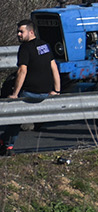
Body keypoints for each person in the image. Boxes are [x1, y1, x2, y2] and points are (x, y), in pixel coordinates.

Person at [2, 20, 61, 154]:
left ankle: (8, 145)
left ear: (31, 32)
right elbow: (54, 68)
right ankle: (4, 140)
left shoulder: (25, 48)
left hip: (30, 93)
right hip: (46, 93)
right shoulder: (44, 45)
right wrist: (57, 90)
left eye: (21, 31)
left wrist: (15, 94)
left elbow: (22, 71)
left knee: (14, 118)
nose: (18, 34)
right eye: (18, 31)